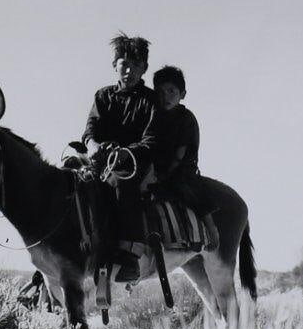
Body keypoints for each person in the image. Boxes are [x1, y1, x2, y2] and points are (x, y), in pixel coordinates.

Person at [78, 34, 159, 281]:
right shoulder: (102, 96)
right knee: (73, 181)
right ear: (115, 65)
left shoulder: (150, 100)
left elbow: (152, 139)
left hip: (135, 162)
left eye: (136, 65)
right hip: (102, 159)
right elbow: (90, 129)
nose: (129, 70)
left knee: (122, 182)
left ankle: (129, 256)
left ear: (144, 68)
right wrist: (92, 145)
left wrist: (127, 152)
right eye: (124, 64)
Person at [150, 65, 219, 238]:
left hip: (181, 167)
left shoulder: (186, 118)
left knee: (183, 187)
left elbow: (179, 154)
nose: (165, 96)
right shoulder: (155, 116)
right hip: (158, 167)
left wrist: (162, 175)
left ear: (182, 94)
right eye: (160, 92)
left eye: (171, 91)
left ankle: (210, 226)